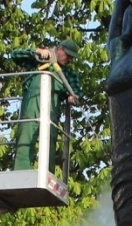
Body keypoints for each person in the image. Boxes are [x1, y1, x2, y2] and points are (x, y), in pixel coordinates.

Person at [5, 40, 82, 170]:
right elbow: (15, 55)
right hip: (31, 107)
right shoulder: (39, 60)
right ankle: (20, 171)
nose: (69, 59)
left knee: (49, 142)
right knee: (25, 139)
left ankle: (47, 173)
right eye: (68, 55)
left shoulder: (68, 74)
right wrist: (37, 51)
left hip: (52, 112)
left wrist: (73, 97)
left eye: (72, 57)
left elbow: (77, 93)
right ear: (59, 49)